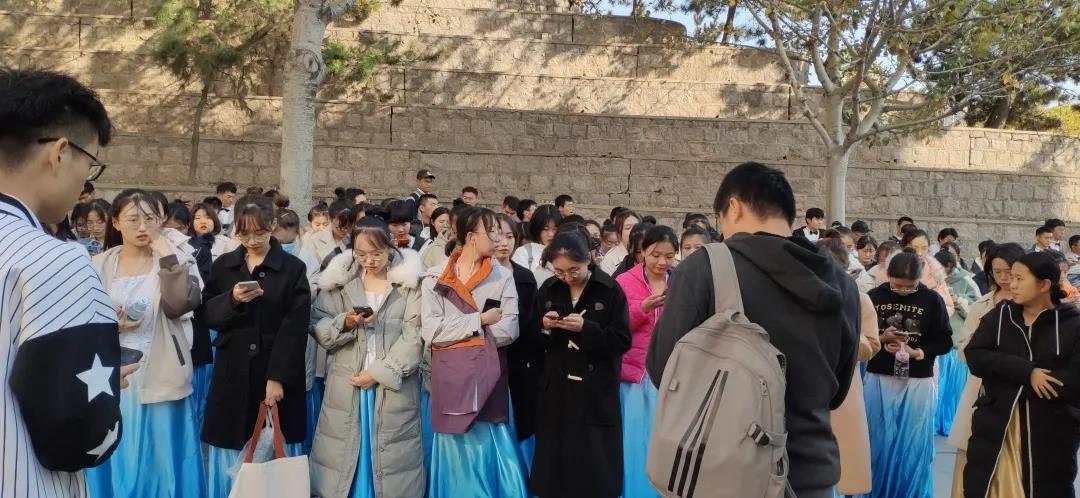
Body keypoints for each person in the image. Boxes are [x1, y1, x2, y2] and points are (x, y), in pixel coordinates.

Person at [647, 162, 860, 498]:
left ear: (733, 207)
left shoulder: (706, 267)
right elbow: (838, 391)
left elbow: (664, 370)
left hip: (725, 475)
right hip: (812, 474)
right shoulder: (842, 284)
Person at [0, 68, 143, 498]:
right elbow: (80, 434)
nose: (87, 179)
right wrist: (97, 383)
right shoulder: (54, 258)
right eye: (91, 161)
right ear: (60, 152)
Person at [85, 189, 204, 498]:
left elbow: (180, 304)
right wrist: (112, 324)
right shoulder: (98, 264)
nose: (142, 227)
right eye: (132, 219)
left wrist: (166, 255)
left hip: (160, 370)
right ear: (115, 222)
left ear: (161, 219)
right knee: (116, 454)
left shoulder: (177, 260)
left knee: (161, 461)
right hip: (110, 376)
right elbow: (82, 319)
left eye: (150, 218)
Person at [201, 195, 311, 498]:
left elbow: (295, 328)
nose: (252, 241)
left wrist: (277, 377)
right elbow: (208, 314)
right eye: (244, 234)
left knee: (272, 450)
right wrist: (232, 300)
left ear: (272, 225)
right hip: (233, 372)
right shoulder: (224, 266)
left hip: (274, 369)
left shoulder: (292, 269)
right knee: (231, 444)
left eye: (259, 233)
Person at [310, 219, 425, 498]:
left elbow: (415, 336)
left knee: (390, 460)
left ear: (390, 246)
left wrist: (379, 372)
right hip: (347, 380)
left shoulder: (409, 283)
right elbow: (319, 326)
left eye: (376, 254)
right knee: (343, 458)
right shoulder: (338, 282)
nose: (369, 261)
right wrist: (346, 322)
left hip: (391, 383)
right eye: (361, 254)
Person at [420, 207, 528, 497]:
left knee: (489, 438)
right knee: (453, 439)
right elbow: (432, 332)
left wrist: (456, 337)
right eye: (491, 232)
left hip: (487, 375)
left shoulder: (503, 276)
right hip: (451, 377)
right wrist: (478, 321)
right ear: (471, 237)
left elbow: (509, 329)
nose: (498, 239)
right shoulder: (435, 277)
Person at [964, 251, 1080, 498]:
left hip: (1051, 433)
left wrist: (1013, 381)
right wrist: (1027, 373)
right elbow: (975, 356)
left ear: (1044, 285)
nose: (1011, 284)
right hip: (996, 427)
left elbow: (1074, 380)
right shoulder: (1000, 316)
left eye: (1019, 278)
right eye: (1010, 277)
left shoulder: (1072, 323)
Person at [529, 231, 631, 498]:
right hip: (556, 390)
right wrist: (545, 326)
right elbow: (531, 336)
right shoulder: (549, 288)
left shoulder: (609, 290)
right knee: (555, 469)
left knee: (594, 468)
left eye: (574, 270)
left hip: (594, 391)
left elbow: (621, 340)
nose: (567, 277)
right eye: (560, 271)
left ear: (588, 259)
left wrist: (587, 329)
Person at [864, 251, 953, 498]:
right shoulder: (874, 296)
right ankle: (875, 490)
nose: (903, 291)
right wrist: (882, 339)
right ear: (887, 275)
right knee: (877, 437)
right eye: (897, 285)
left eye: (909, 286)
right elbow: (859, 335)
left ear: (919, 278)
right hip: (879, 376)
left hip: (917, 379)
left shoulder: (932, 299)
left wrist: (918, 352)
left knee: (913, 440)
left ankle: (909, 491)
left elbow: (945, 341)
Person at [945, 242, 1024, 496]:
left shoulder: (1032, 305)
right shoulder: (982, 304)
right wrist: (987, 356)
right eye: (996, 271)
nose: (1003, 278)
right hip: (981, 390)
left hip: (1019, 394)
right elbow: (964, 349)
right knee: (974, 454)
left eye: (1008, 271)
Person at [615, 225, 676, 498]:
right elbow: (616, 327)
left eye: (669, 256)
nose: (662, 262)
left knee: (666, 437)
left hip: (671, 372)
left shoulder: (680, 281)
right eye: (655, 255)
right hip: (636, 374)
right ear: (642, 252)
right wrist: (643, 308)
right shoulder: (624, 281)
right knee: (637, 438)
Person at [818, 238, 879, 497]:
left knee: (845, 457)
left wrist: (848, 340)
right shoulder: (801, 296)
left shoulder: (859, 299)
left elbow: (871, 345)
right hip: (807, 384)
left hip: (844, 386)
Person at [492, 214, 541, 466]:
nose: (504, 243)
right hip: (489, 357)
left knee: (522, 418)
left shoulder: (524, 276)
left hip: (520, 360)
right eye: (497, 236)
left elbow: (531, 321)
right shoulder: (481, 275)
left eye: (510, 236)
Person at [273, 209, 323, 453]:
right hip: (271, 328)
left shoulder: (307, 257)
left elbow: (312, 289)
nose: (284, 245)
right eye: (279, 240)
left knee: (299, 385)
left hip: (298, 325)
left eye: (289, 240)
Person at [932, 249, 981, 437]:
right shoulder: (933, 281)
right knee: (938, 389)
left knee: (953, 391)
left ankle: (949, 424)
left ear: (950, 267)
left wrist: (958, 300)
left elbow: (976, 309)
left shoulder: (967, 280)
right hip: (940, 343)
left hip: (956, 344)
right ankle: (934, 423)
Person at [511, 204, 562, 274]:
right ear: (536, 229)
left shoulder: (565, 251)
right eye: (545, 229)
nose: (551, 234)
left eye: (555, 229)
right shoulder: (523, 253)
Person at [599, 210, 640, 276]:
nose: (633, 231)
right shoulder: (610, 260)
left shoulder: (645, 253)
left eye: (636, 227)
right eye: (628, 228)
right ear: (619, 232)